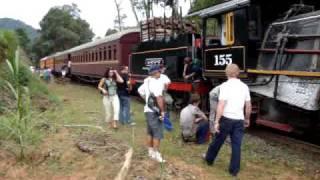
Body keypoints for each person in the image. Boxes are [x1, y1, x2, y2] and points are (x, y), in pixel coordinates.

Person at [203, 64, 252, 177]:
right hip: (239, 120)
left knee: (218, 141)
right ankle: (234, 171)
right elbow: (248, 105)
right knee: (236, 145)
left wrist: (216, 121)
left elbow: (221, 105)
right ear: (238, 73)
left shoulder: (224, 86)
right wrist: (247, 118)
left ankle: (209, 160)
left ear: (226, 73)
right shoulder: (244, 86)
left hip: (226, 119)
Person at [138, 65, 166, 163]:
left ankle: (150, 151)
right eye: (159, 71)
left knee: (150, 131)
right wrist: (162, 111)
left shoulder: (147, 80)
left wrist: (147, 100)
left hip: (148, 110)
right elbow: (159, 98)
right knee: (157, 133)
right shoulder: (157, 83)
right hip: (155, 111)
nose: (160, 73)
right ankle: (156, 154)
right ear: (156, 73)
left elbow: (140, 91)